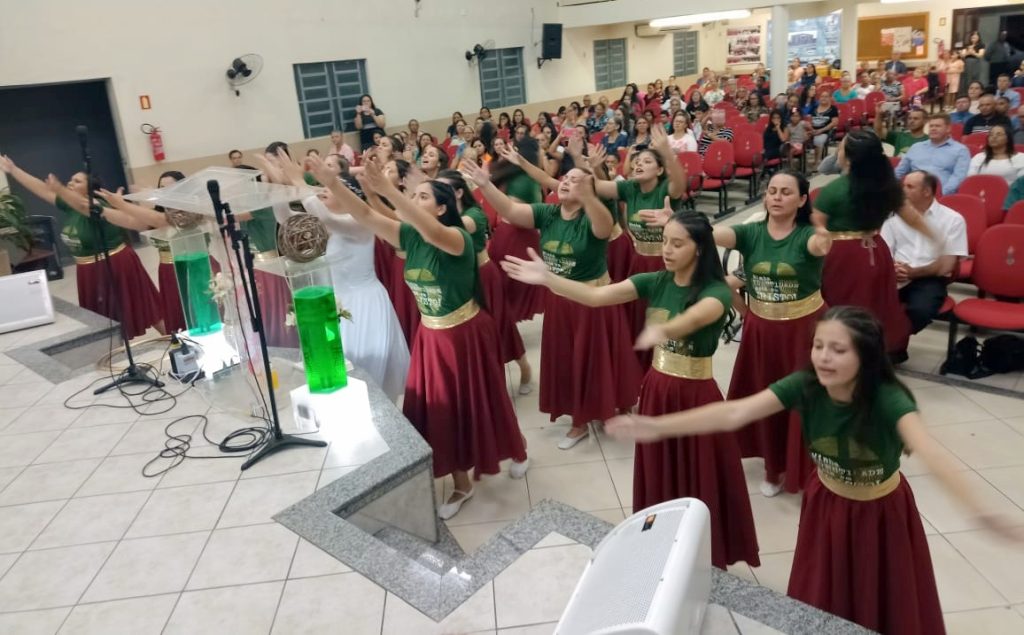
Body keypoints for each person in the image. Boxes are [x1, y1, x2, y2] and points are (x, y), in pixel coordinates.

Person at [607, 306, 1024, 635]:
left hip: (880, 514)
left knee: (884, 600)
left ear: (866, 355)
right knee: (822, 594)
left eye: (838, 350)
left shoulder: (887, 399)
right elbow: (735, 412)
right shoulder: (805, 385)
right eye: (819, 346)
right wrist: (656, 426)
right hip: (826, 505)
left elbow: (931, 452)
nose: (824, 357)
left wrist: (981, 511)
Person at [502, 210, 760, 569]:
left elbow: (703, 314)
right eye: (665, 241)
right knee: (661, 472)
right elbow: (596, 297)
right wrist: (549, 279)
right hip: (656, 388)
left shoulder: (715, 291)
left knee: (699, 476)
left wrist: (667, 330)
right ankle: (661, 546)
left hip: (694, 395)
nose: (666, 250)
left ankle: (702, 555)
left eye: (677, 243)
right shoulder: (655, 280)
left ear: (700, 249)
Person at [310, 157, 529, 519]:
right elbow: (366, 217)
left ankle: (517, 448)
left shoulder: (456, 237)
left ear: (443, 207)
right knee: (440, 411)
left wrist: (388, 192)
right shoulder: (410, 235)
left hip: (466, 334)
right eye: (414, 195)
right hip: (431, 335)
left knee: (483, 403)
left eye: (423, 196)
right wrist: (333, 185)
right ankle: (462, 483)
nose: (414, 199)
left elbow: (431, 231)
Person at [468, 162, 643, 450]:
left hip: (593, 301)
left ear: (588, 189)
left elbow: (602, 229)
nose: (565, 181)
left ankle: (618, 406)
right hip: (560, 302)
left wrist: (588, 195)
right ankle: (579, 420)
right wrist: (486, 186)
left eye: (575, 180)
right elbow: (512, 212)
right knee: (569, 360)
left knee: (599, 359)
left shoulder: (595, 214)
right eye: (564, 177)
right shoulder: (548, 213)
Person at [705, 171, 833, 494]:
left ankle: (809, 465)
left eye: (786, 192)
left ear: (802, 199)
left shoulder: (806, 235)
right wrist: (681, 224)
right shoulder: (752, 233)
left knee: (803, 398)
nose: (776, 197)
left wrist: (823, 234)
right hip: (762, 331)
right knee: (765, 393)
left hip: (803, 332)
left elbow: (821, 246)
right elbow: (712, 234)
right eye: (772, 191)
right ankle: (773, 465)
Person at [261, 151, 410, 400]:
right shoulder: (327, 224)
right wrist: (277, 184)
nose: (322, 191)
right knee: (340, 367)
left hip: (364, 304)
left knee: (366, 369)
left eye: (329, 189)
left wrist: (298, 181)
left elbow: (326, 216)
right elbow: (285, 218)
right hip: (337, 302)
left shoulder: (359, 223)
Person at [0, 155, 163, 338]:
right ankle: (110, 348)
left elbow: (81, 204)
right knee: (101, 315)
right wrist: (13, 170)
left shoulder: (95, 205)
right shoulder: (70, 206)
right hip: (88, 268)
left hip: (115, 263)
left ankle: (174, 338)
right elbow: (41, 189)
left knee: (140, 302)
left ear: (89, 189)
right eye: (70, 181)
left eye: (76, 181)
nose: (70, 183)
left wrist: (60, 188)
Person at [818, 130, 923, 357]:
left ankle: (843, 352)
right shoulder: (884, 184)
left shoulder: (837, 190)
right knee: (875, 302)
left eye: (842, 146)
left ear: (850, 156)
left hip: (842, 253)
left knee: (842, 304)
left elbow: (817, 225)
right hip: (875, 248)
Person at [437, 169, 532, 394]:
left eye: (444, 188)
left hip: (483, 277)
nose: (439, 193)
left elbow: (457, 228)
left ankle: (524, 367)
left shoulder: (474, 215)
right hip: (460, 281)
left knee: (498, 328)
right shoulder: (439, 215)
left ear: (459, 192)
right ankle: (487, 383)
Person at [882, 171, 967, 342]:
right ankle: (887, 347)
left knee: (919, 310)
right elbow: (884, 251)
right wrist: (894, 268)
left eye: (909, 186)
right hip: (894, 274)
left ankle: (891, 345)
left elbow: (947, 265)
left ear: (926, 192)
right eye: (903, 185)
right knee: (865, 302)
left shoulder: (953, 219)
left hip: (929, 278)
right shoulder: (893, 218)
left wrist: (913, 273)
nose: (903, 190)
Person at [896, 113, 971, 194]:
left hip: (941, 195)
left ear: (948, 128)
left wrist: (941, 194)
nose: (933, 129)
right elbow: (900, 171)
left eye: (937, 126)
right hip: (913, 194)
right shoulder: (916, 147)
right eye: (931, 126)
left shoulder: (960, 150)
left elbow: (958, 178)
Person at [808, 91, 839, 165]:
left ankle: (817, 161)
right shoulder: (814, 107)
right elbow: (808, 119)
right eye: (822, 96)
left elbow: (834, 122)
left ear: (830, 98)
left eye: (826, 96)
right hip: (812, 130)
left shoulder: (833, 109)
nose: (823, 98)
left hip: (825, 131)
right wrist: (811, 129)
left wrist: (821, 130)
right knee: (799, 137)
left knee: (818, 140)